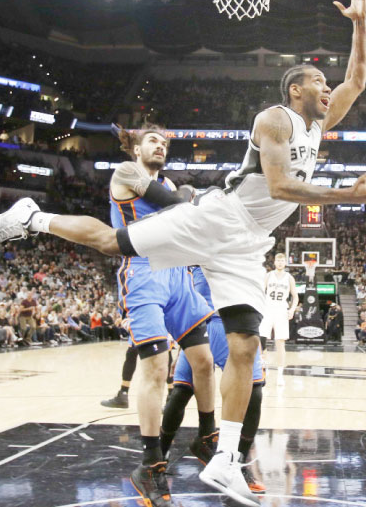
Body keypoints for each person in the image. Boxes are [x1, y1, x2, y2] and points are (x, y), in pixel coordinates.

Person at [0, 0, 366, 507]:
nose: (329, 86)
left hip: (250, 241)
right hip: (219, 218)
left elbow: (358, 79)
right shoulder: (276, 119)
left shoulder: (319, 124)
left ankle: (225, 461)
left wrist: (360, 25)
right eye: (319, 80)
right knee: (113, 242)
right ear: (296, 90)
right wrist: (343, 194)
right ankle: (34, 216)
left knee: (245, 346)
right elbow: (280, 186)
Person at [102, 123, 217, 507]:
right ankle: (150, 463)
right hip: (143, 273)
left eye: (165, 143)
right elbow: (174, 202)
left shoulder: (168, 182)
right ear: (136, 147)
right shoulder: (127, 173)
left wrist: (186, 197)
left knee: (203, 362)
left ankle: (206, 437)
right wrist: (185, 195)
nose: (160, 146)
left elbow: (190, 212)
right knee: (155, 367)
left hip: (177, 275)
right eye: (153, 140)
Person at [160, 265, 267, 495]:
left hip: (219, 322)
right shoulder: (201, 241)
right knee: (182, 392)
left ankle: (233, 463)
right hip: (212, 321)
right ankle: (160, 458)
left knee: (252, 394)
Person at [259, 253, 298, 386]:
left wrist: (292, 309)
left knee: (280, 343)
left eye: (282, 260)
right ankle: (265, 369)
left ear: (285, 262)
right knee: (262, 340)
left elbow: (295, 297)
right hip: (268, 308)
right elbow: (260, 292)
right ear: (274, 262)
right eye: (278, 260)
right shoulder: (268, 276)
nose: (280, 262)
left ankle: (280, 375)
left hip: (282, 309)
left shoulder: (289, 278)